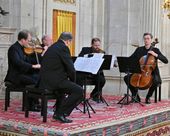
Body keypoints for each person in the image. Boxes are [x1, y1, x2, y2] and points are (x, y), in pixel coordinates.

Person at [39, 32, 83, 123]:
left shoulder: (53, 46)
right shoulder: (63, 48)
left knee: (64, 90)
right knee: (79, 91)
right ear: (68, 41)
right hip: (54, 81)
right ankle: (60, 113)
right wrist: (73, 81)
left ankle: (58, 113)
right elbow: (70, 68)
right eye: (70, 42)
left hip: (45, 80)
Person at [124, 33, 168, 104]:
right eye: (145, 39)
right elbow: (131, 59)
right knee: (126, 78)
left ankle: (148, 97)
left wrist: (155, 55)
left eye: (148, 39)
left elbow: (166, 60)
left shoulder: (155, 50)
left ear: (151, 40)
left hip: (152, 72)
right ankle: (135, 96)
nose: (146, 40)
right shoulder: (139, 49)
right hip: (139, 71)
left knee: (156, 81)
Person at [4, 30, 41, 110]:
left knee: (37, 78)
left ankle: (34, 103)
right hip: (15, 76)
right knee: (33, 81)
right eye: (28, 40)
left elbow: (27, 60)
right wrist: (33, 66)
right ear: (23, 40)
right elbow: (17, 62)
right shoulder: (13, 48)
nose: (29, 42)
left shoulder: (22, 48)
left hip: (22, 74)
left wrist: (39, 56)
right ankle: (30, 105)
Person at [77, 38, 106, 103]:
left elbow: (104, 64)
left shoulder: (102, 52)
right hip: (85, 71)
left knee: (102, 80)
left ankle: (94, 95)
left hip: (96, 72)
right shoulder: (85, 50)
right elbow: (79, 58)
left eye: (98, 45)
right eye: (95, 45)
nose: (97, 47)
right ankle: (80, 96)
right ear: (92, 44)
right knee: (78, 78)